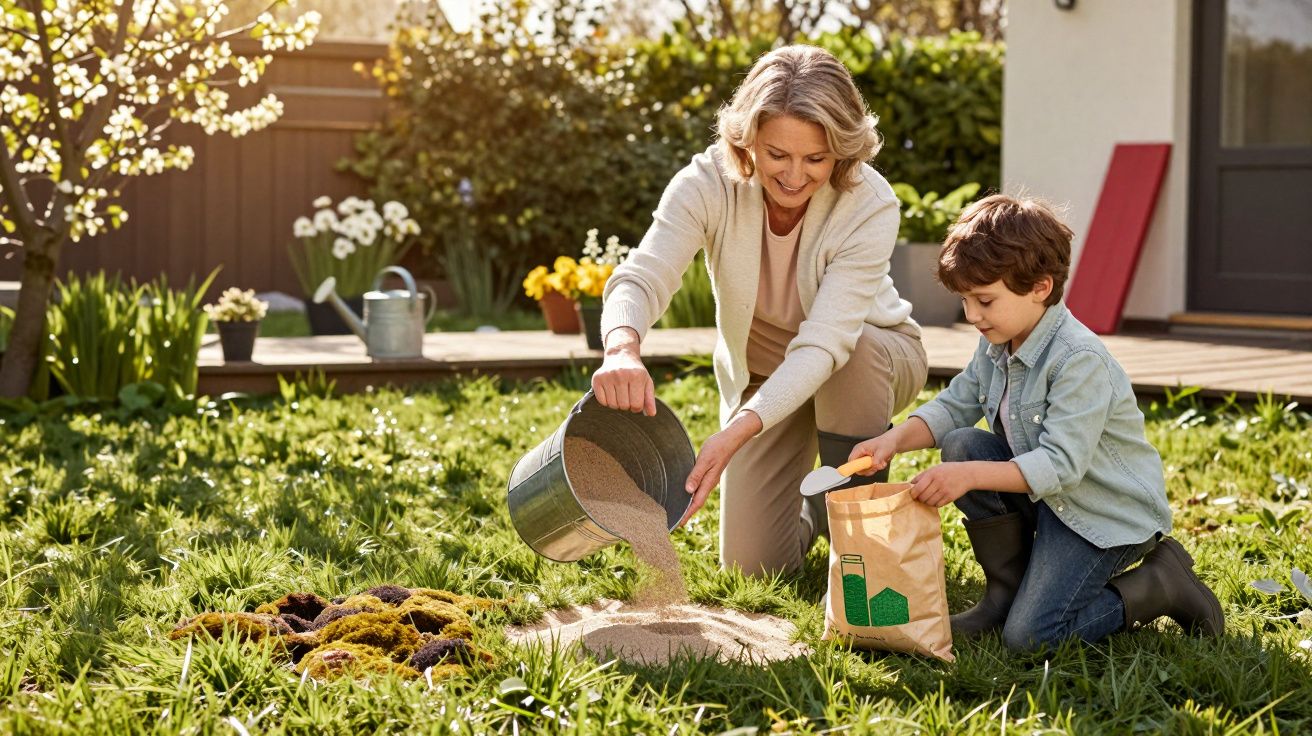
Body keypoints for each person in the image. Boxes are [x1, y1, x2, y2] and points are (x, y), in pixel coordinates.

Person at [591, 45, 928, 576]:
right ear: (748, 141)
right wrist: (622, 347)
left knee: (854, 355)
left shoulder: (869, 202)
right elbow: (644, 273)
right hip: (767, 376)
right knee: (752, 568)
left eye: (816, 159)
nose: (794, 176)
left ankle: (866, 547)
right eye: (777, 155)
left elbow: (825, 344)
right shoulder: (707, 183)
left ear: (841, 151)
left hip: (872, 356)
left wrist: (734, 432)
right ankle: (825, 501)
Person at [847, 194, 1225, 651]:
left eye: (984, 300)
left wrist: (965, 477)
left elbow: (1061, 466)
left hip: (1100, 517)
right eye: (965, 300)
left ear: (1040, 287)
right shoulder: (996, 342)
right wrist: (892, 441)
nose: (971, 315)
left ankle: (1160, 584)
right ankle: (1006, 593)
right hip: (1049, 504)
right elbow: (954, 407)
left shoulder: (1077, 359)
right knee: (964, 443)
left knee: (1030, 640)